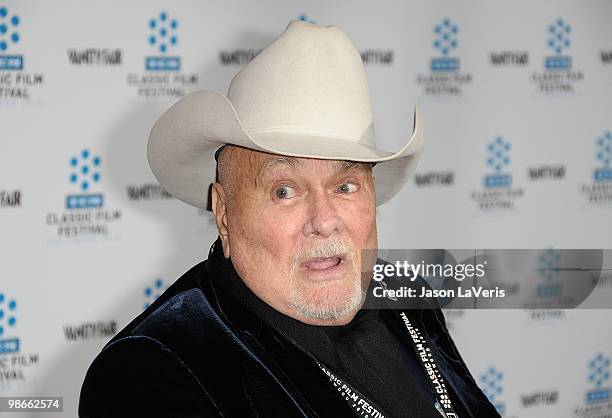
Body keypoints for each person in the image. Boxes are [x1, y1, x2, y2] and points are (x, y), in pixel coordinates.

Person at [79, 20, 499, 417]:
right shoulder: (153, 370)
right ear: (224, 213)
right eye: (285, 191)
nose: (324, 220)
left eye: (345, 185)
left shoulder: (405, 295)